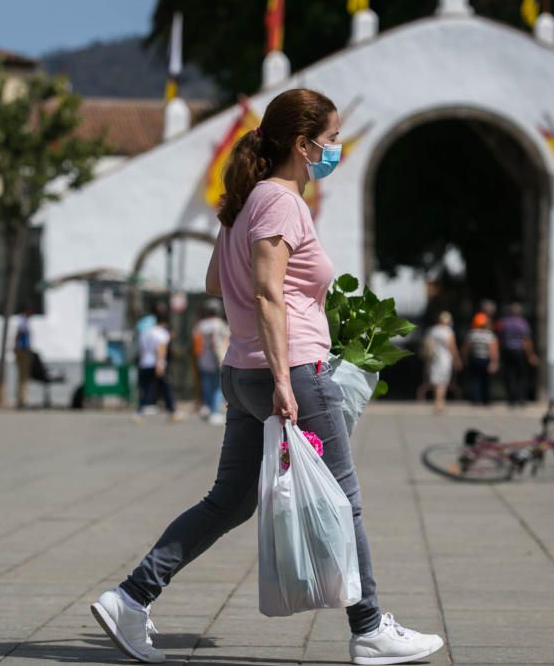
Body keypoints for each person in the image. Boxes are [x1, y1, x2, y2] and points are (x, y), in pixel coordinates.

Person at [91, 89, 443, 665]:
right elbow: (266, 292)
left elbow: (215, 283)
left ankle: (131, 598)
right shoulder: (280, 203)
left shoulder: (243, 204)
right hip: (289, 373)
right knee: (343, 499)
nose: (335, 149)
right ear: (302, 146)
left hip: (241, 372)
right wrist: (286, 377)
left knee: (229, 501)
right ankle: (371, 627)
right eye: (330, 140)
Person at [135, 311, 179, 422]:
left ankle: (139, 412)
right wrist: (160, 364)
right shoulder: (161, 333)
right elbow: (161, 348)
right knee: (166, 388)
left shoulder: (145, 332)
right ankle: (172, 412)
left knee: (147, 389)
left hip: (144, 364)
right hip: (156, 364)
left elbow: (141, 350)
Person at [192, 299, 230, 425]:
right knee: (218, 385)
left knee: (206, 384)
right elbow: (225, 339)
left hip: (203, 358)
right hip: (217, 358)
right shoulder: (219, 324)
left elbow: (195, 342)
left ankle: (208, 407)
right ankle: (215, 411)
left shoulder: (200, 325)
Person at [417, 311, 461, 413]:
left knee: (435, 381)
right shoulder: (448, 331)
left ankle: (437, 401)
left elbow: (426, 344)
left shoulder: (432, 330)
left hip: (433, 359)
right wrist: (457, 359)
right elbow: (452, 346)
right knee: (442, 382)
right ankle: (439, 403)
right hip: (445, 359)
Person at [498, 302, 538, 405]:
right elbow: (527, 340)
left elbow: (500, 338)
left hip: (507, 350)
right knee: (521, 376)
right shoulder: (523, 323)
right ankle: (520, 398)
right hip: (519, 351)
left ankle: (511, 398)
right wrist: (531, 354)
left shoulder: (504, 322)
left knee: (509, 375)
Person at [461, 312, 498, 405]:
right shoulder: (489, 334)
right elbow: (493, 349)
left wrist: (464, 358)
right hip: (485, 359)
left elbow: (466, 348)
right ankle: (485, 399)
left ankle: (476, 399)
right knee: (485, 380)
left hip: (474, 358)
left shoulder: (472, 334)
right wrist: (494, 362)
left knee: (475, 380)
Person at [14, 307, 34, 409]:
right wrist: (18, 347)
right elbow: (19, 334)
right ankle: (22, 400)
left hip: (23, 350)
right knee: (23, 377)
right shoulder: (23, 321)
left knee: (23, 377)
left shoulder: (23, 321)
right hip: (23, 351)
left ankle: (22, 399)